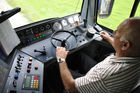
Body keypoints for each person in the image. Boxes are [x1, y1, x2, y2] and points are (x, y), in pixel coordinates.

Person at [56, 17, 140, 93]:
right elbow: (123, 49)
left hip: (80, 86)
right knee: (79, 56)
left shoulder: (105, 75)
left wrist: (61, 59)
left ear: (125, 45)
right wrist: (110, 39)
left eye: (117, 31)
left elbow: (71, 87)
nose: (114, 32)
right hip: (102, 78)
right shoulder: (135, 56)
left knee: (56, 68)